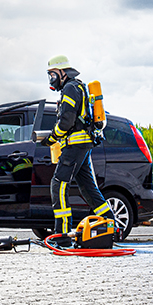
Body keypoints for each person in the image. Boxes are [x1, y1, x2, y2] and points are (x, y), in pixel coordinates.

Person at [42, 55, 116, 247]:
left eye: (52, 75)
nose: (51, 79)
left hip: (76, 145)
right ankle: (111, 225)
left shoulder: (70, 88)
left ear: (62, 72)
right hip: (81, 145)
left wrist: (51, 138)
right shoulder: (76, 87)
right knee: (88, 188)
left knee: (59, 184)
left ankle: (62, 236)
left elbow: (66, 120)